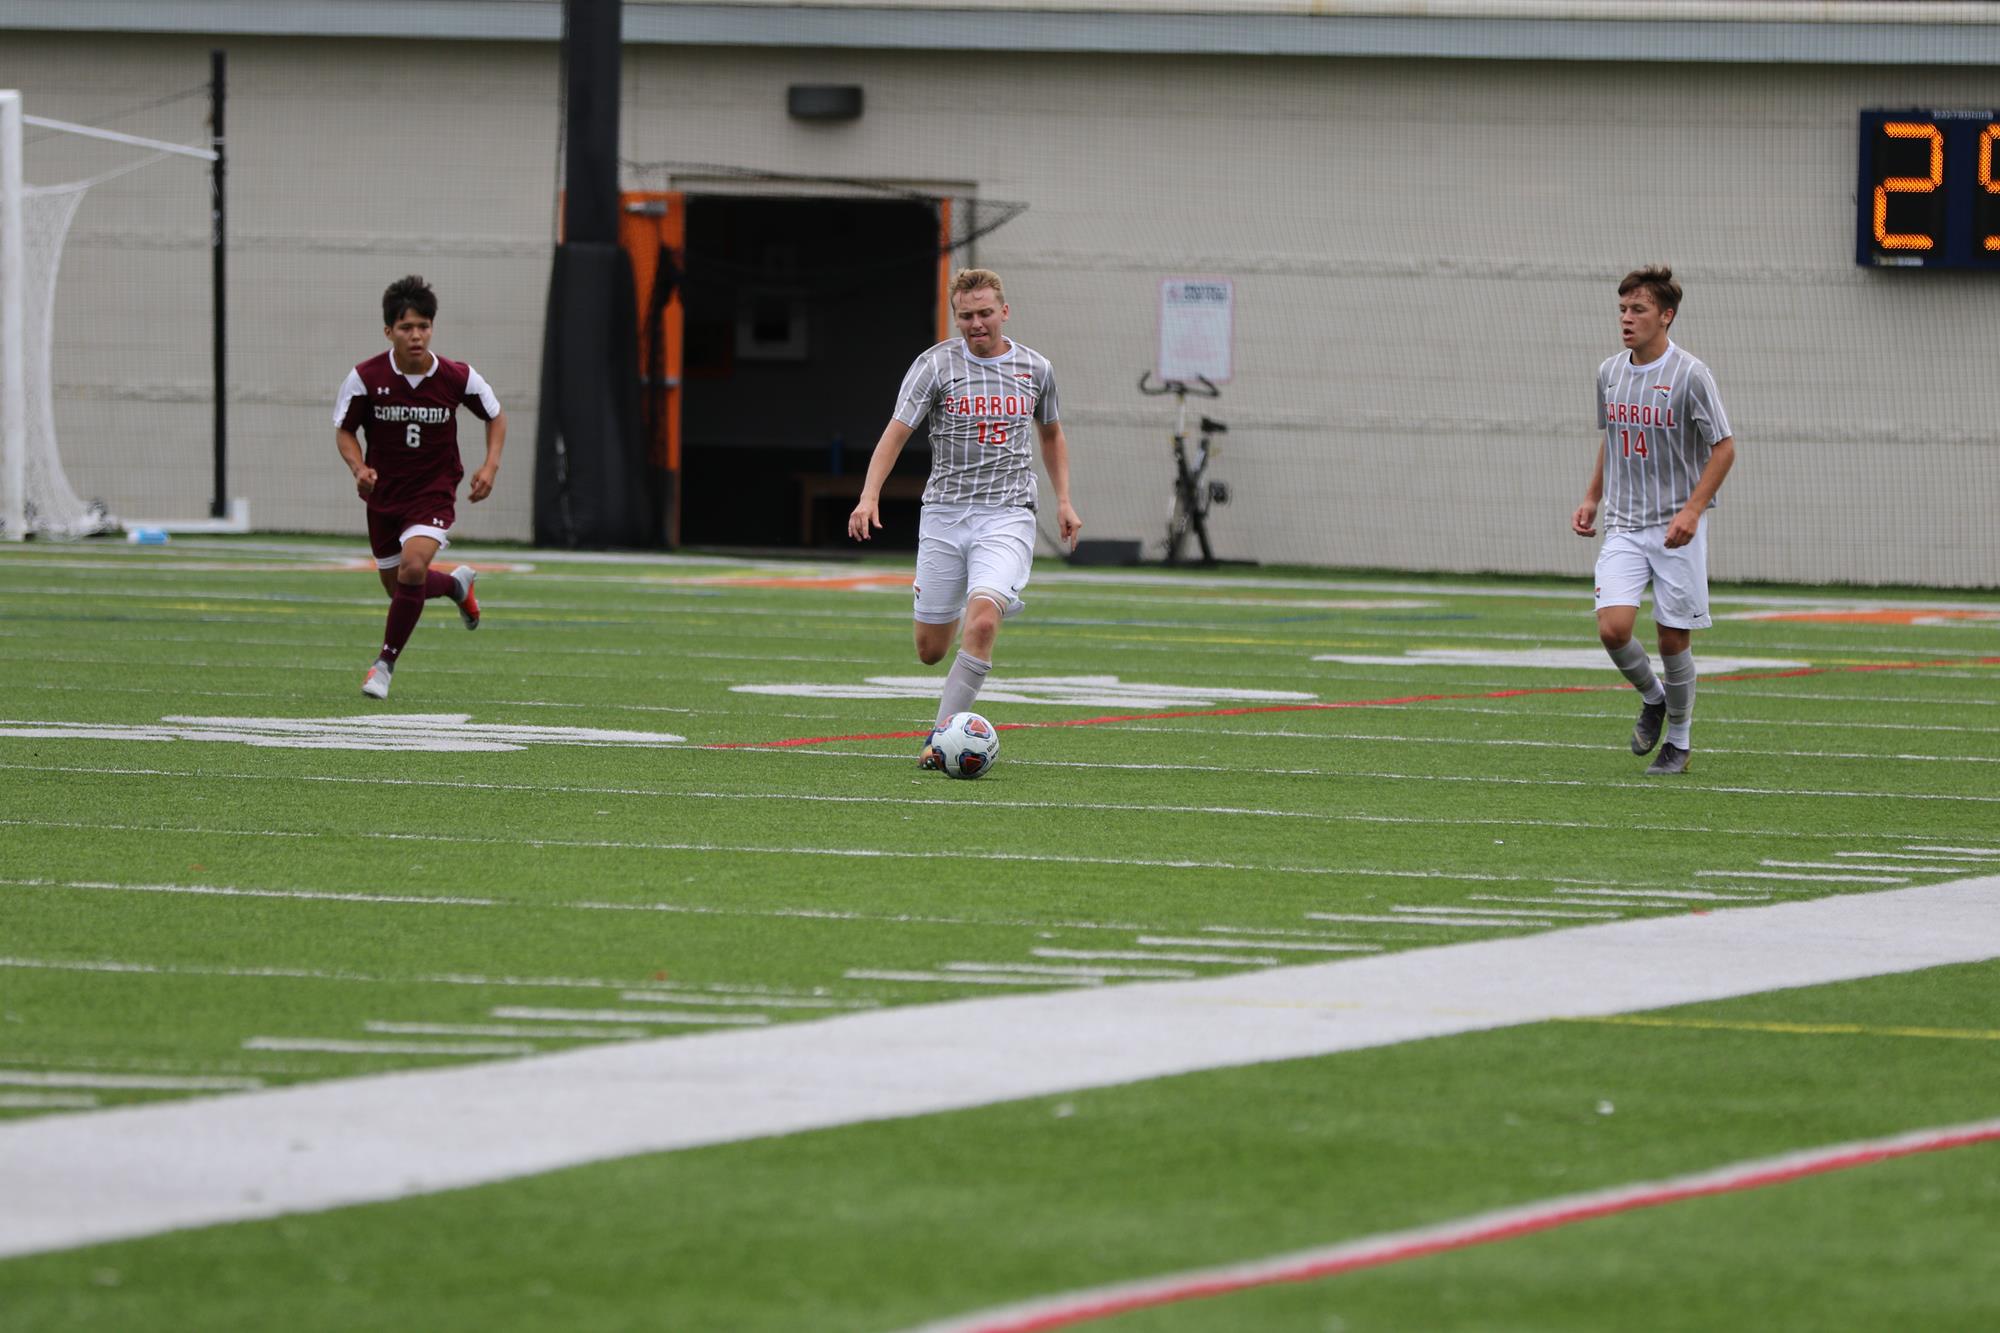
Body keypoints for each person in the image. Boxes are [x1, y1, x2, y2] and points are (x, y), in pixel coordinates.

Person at [847, 267, 1082, 769]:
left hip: (1007, 516)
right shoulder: (935, 366)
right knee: (931, 650)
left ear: (1004, 311)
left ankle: (938, 741)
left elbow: (1052, 434)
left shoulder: (1036, 368)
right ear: (956, 317)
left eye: (984, 313)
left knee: (981, 624)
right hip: (945, 516)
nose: (976, 324)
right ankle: (950, 603)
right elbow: (895, 432)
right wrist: (869, 496)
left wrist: (1064, 499)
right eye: (966, 316)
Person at [1572, 266, 1736, 776]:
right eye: (1623, 309)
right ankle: (1654, 697)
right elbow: (1614, 438)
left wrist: (1692, 510)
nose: (1627, 318)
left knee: (1672, 639)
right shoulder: (1609, 372)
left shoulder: (1691, 374)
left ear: (1666, 316)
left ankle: (1680, 743)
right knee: (1613, 629)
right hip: (1624, 523)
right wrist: (1592, 496)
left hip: (1675, 527)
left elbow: (1724, 448)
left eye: (1638, 309)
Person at [333, 275, 506, 699]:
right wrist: (359, 468)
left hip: (433, 491)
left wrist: (490, 466)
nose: (416, 336)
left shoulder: (456, 376)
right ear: (389, 330)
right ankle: (455, 584)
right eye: (407, 327)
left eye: (424, 326)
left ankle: (383, 666)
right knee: (399, 588)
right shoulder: (366, 378)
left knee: (412, 568)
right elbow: (345, 431)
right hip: (384, 497)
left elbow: (495, 416)